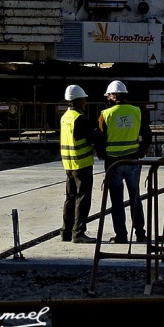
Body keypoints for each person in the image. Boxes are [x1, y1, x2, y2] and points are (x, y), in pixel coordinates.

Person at [97, 80, 152, 244]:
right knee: (135, 197)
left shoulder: (105, 114)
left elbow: (100, 140)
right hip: (133, 160)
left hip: (114, 163)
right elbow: (147, 135)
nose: (108, 98)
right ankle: (140, 233)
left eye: (108, 95)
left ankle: (121, 235)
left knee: (117, 201)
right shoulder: (137, 111)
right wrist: (140, 152)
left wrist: (103, 155)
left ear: (112, 96)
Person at [59, 84, 98, 244]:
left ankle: (66, 232)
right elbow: (93, 138)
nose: (86, 102)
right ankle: (79, 233)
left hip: (68, 164)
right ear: (79, 100)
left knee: (70, 198)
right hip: (82, 164)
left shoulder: (65, 117)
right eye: (84, 99)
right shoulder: (80, 119)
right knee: (83, 199)